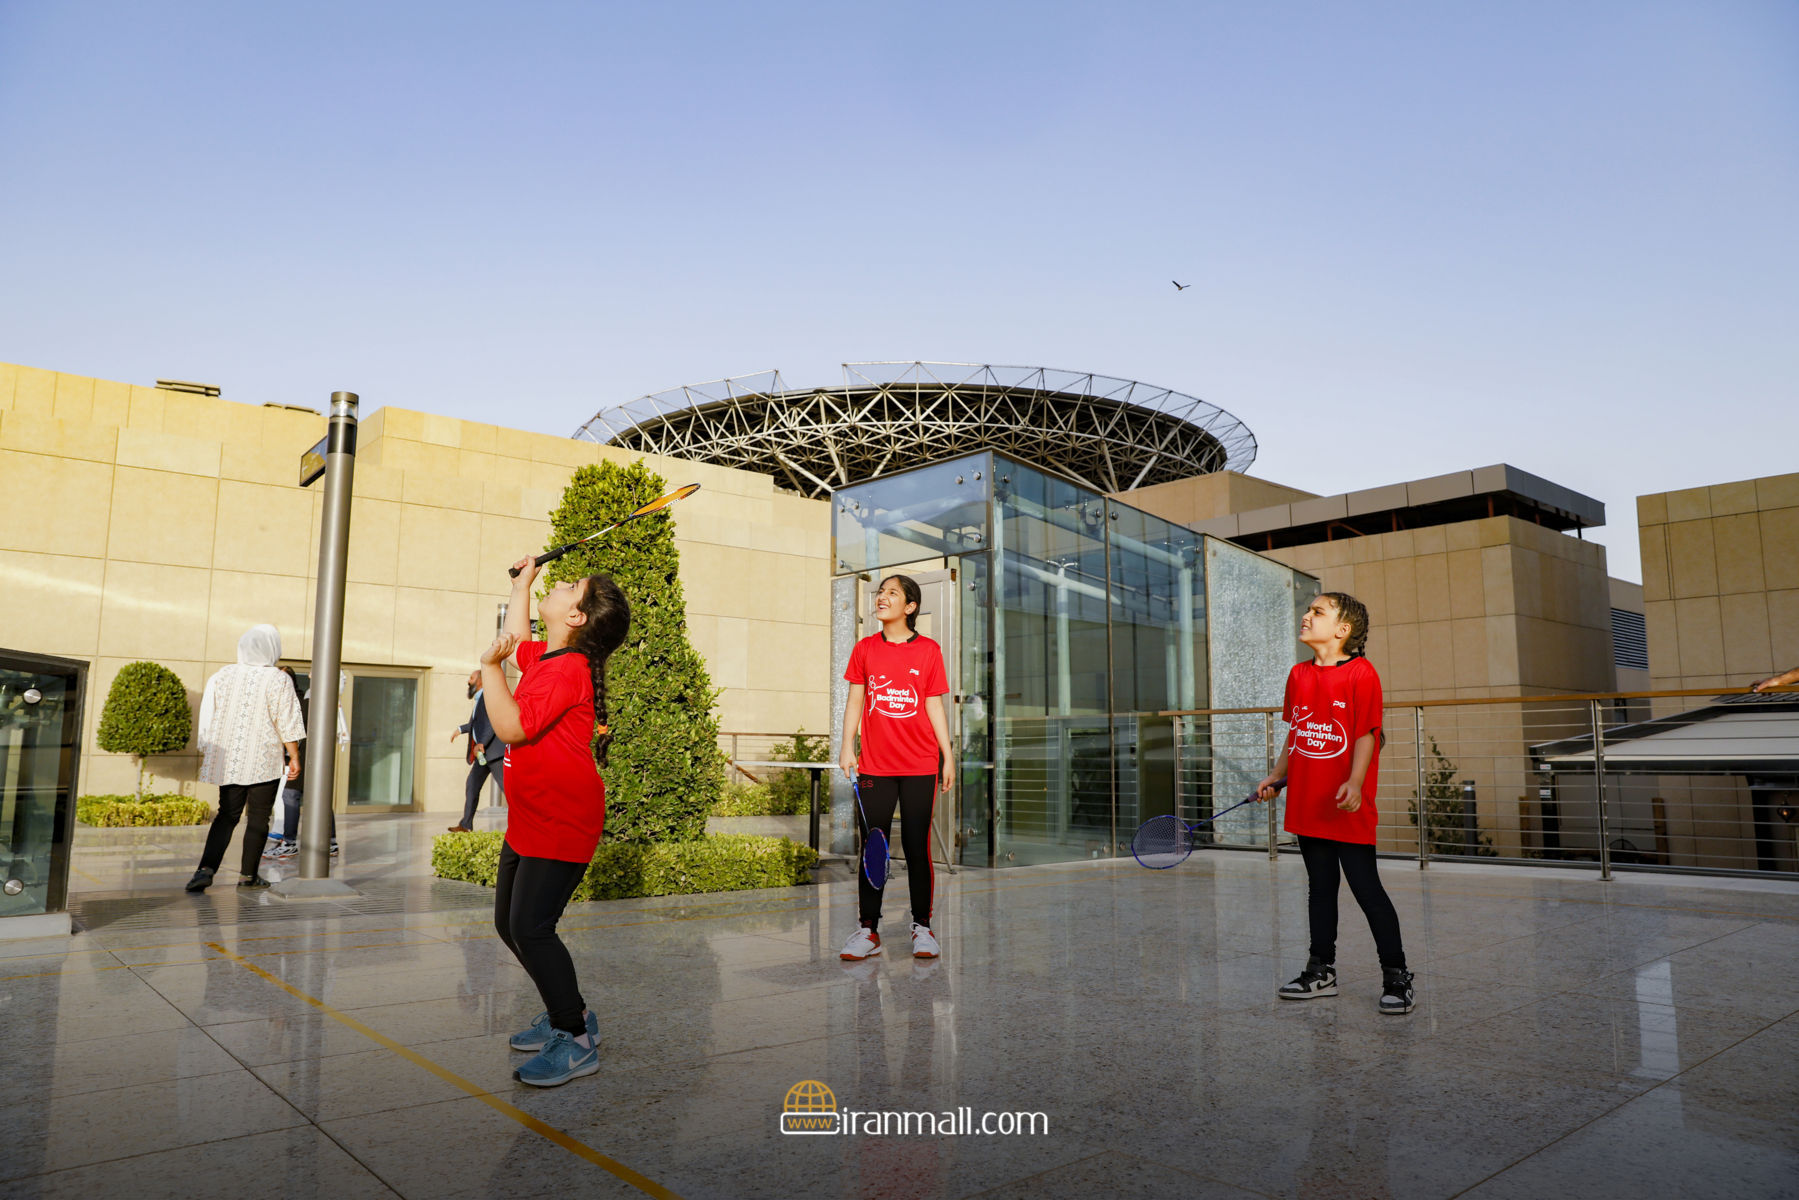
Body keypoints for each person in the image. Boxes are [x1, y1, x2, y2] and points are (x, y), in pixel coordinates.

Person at [481, 553, 630, 1088]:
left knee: (531, 928)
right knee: (509, 925)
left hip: (562, 818)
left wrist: (490, 669)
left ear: (576, 616)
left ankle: (576, 1039)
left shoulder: (568, 670)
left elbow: (513, 727)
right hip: (531, 817)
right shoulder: (551, 657)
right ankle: (570, 1010)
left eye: (570, 586)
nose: (560, 583)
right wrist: (524, 584)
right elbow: (521, 642)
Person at [1254, 592, 1414, 1015]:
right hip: (1308, 801)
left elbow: (1366, 734)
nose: (1306, 616)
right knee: (1320, 889)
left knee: (1366, 889)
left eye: (1317, 612)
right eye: (1308, 610)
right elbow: (1297, 732)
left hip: (1345, 803)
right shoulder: (1298, 675)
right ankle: (1320, 970)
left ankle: (1397, 976)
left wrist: (1356, 783)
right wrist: (1276, 775)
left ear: (1343, 630)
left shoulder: (1362, 673)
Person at [837, 574, 956, 962]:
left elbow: (934, 704)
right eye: (880, 592)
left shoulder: (929, 651)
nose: (881, 597)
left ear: (910, 606)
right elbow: (855, 701)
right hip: (875, 766)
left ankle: (922, 927)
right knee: (874, 846)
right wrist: (847, 746)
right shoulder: (865, 649)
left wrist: (947, 755)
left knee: (918, 847)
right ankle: (868, 930)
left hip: (921, 764)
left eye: (892, 593)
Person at [186, 625, 305, 892]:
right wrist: (294, 756)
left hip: (229, 758)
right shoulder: (277, 679)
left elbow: (210, 712)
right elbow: (285, 720)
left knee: (226, 815)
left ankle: (205, 870)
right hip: (263, 757)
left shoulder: (223, 675)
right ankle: (247, 875)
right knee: (259, 817)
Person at [263, 666, 338, 861]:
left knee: (292, 795)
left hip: (306, 755)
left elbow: (295, 728)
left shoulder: (303, 699)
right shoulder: (304, 697)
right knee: (317, 795)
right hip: (305, 755)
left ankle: (289, 843)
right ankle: (329, 842)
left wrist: (292, 754)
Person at [448, 669, 506, 832]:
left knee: (508, 789)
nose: (469, 681)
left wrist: (481, 742)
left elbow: (492, 722)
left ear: (481, 680)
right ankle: (466, 825)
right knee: (472, 784)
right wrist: (461, 729)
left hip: (493, 753)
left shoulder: (488, 697)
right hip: (483, 755)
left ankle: (527, 822)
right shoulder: (480, 699)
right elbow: (477, 723)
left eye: (472, 678)